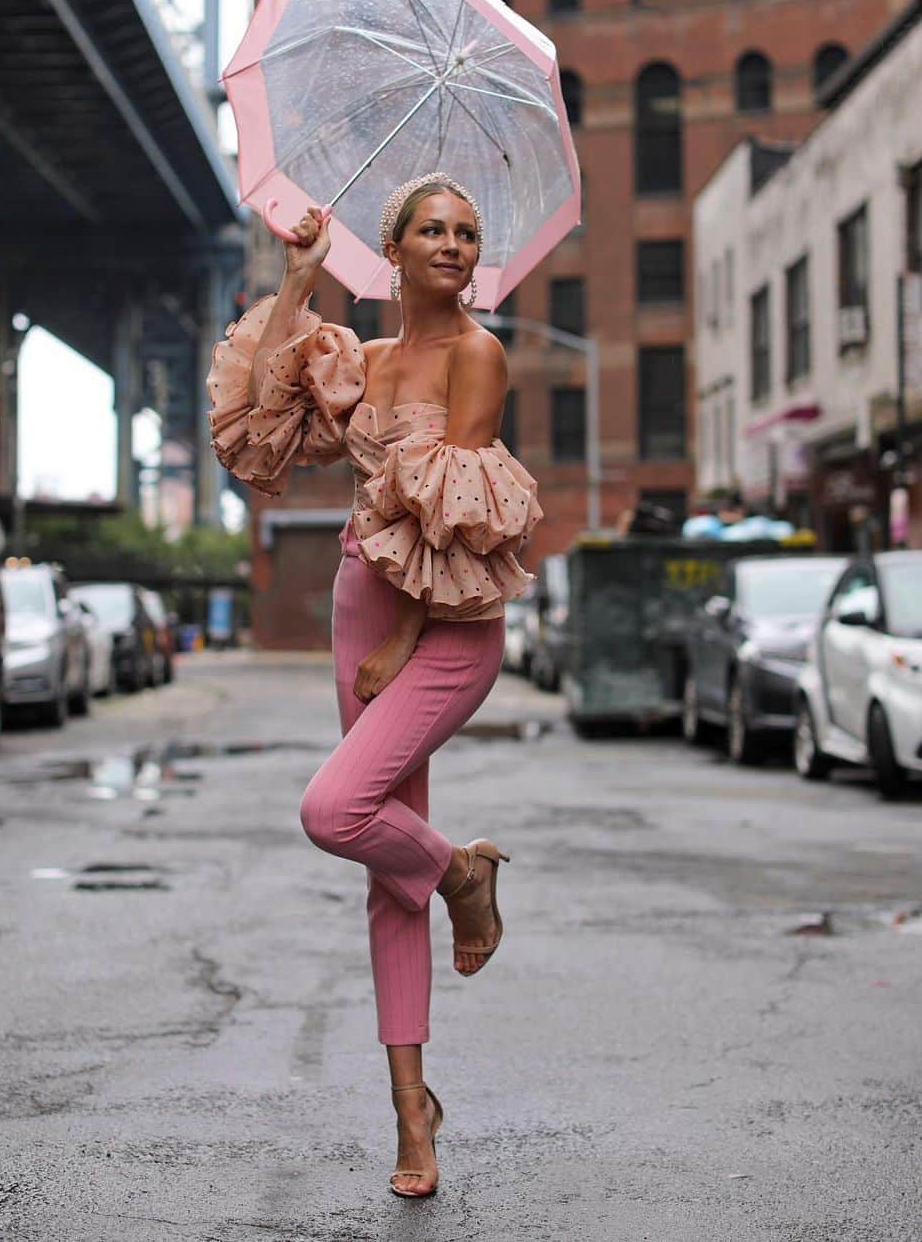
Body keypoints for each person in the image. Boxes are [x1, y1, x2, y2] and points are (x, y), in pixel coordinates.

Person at [207, 173, 544, 1198]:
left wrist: (404, 639)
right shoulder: (367, 358)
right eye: (433, 229)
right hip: (363, 601)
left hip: (444, 624)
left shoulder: (479, 355)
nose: (453, 244)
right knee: (378, 866)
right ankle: (413, 1116)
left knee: (335, 807)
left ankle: (460, 874)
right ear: (391, 250)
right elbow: (259, 418)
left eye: (468, 233)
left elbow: (454, 517)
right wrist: (301, 274)